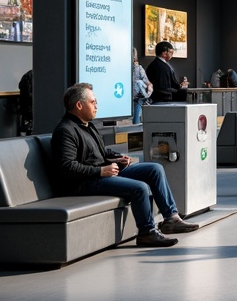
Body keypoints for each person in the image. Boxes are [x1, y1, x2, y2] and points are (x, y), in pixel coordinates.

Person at [49, 82, 198, 247]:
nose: (96, 106)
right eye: (93, 102)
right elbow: (66, 167)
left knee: (155, 169)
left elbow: (100, 152)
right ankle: (147, 233)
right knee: (139, 188)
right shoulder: (66, 131)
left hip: (100, 175)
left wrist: (118, 157)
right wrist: (100, 171)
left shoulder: (88, 126)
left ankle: (171, 218)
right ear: (79, 105)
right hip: (83, 183)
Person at [131, 48, 152, 124]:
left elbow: (148, 84)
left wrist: (146, 94)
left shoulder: (138, 68)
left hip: (136, 99)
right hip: (124, 98)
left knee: (135, 123)